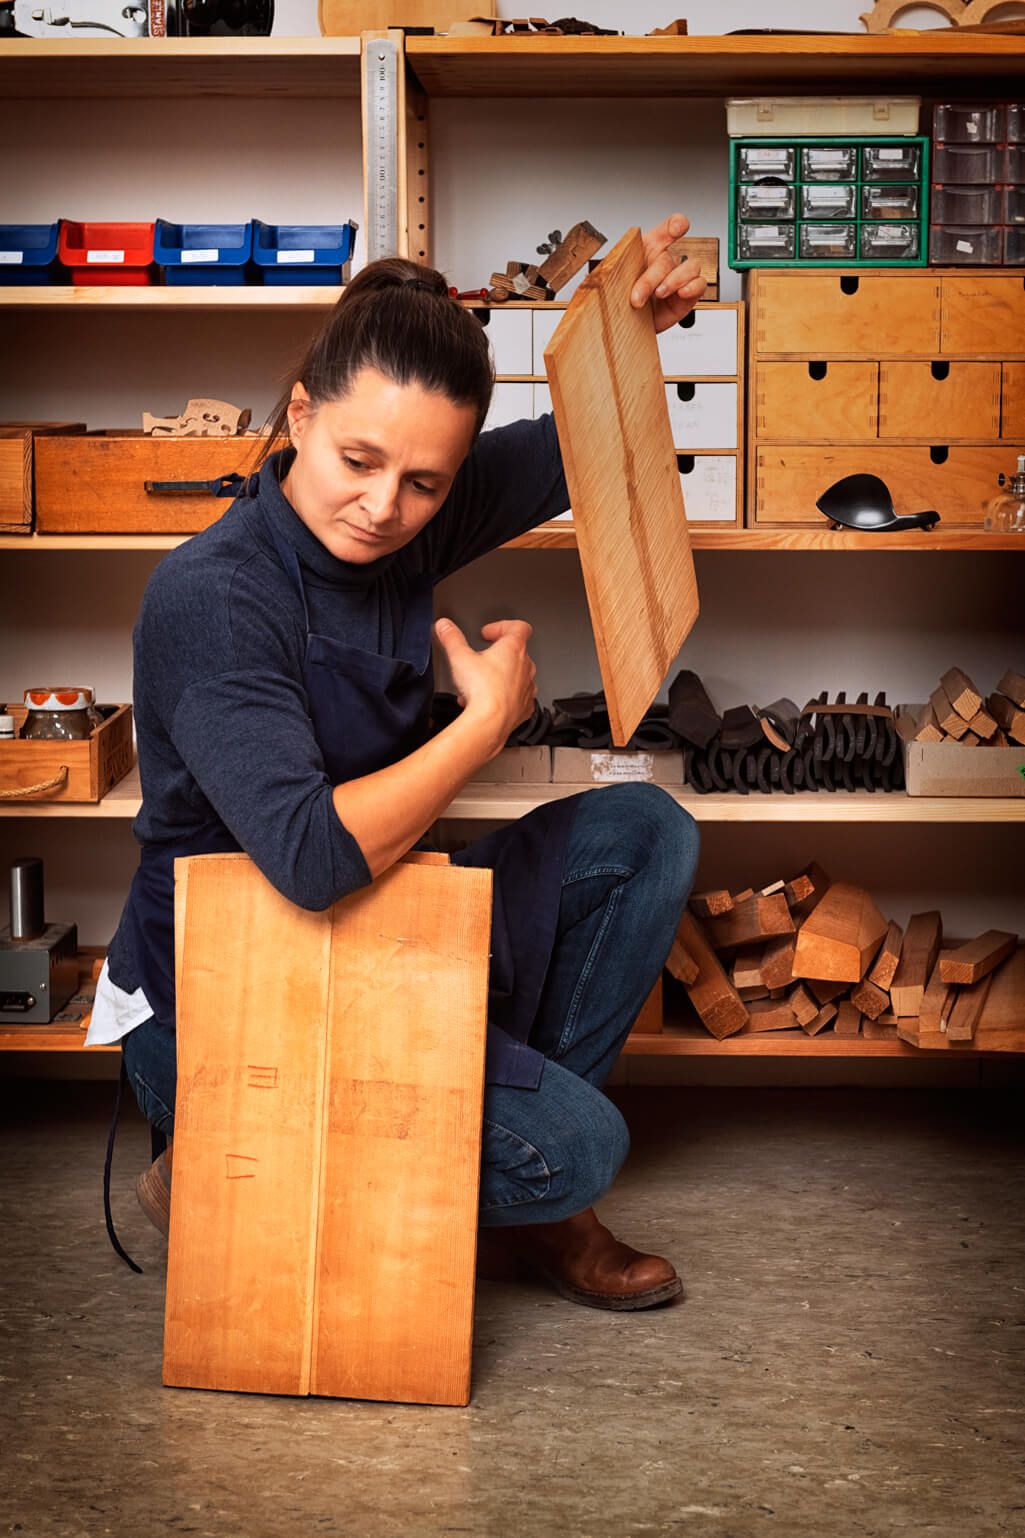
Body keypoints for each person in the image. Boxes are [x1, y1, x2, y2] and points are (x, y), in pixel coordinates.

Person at [87, 213, 704, 1311]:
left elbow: (571, 444)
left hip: (379, 920)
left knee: (645, 829)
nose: (382, 508)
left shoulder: (404, 514)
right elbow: (313, 857)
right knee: (576, 1143)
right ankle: (253, 1162)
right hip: (229, 982)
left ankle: (486, 1186)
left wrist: (631, 336)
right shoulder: (212, 597)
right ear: (301, 415)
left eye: (425, 482)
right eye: (356, 461)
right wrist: (482, 720)